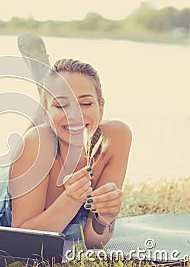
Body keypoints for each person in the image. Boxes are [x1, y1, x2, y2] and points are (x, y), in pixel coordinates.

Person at [9, 58, 132, 248]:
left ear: (101, 107)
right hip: (3, 199)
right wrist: (71, 200)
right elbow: (24, 243)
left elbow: (94, 241)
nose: (74, 114)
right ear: (46, 112)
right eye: (61, 105)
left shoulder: (116, 138)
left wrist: (106, 217)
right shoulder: (36, 144)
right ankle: (40, 107)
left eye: (85, 103)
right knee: (37, 137)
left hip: (59, 216)